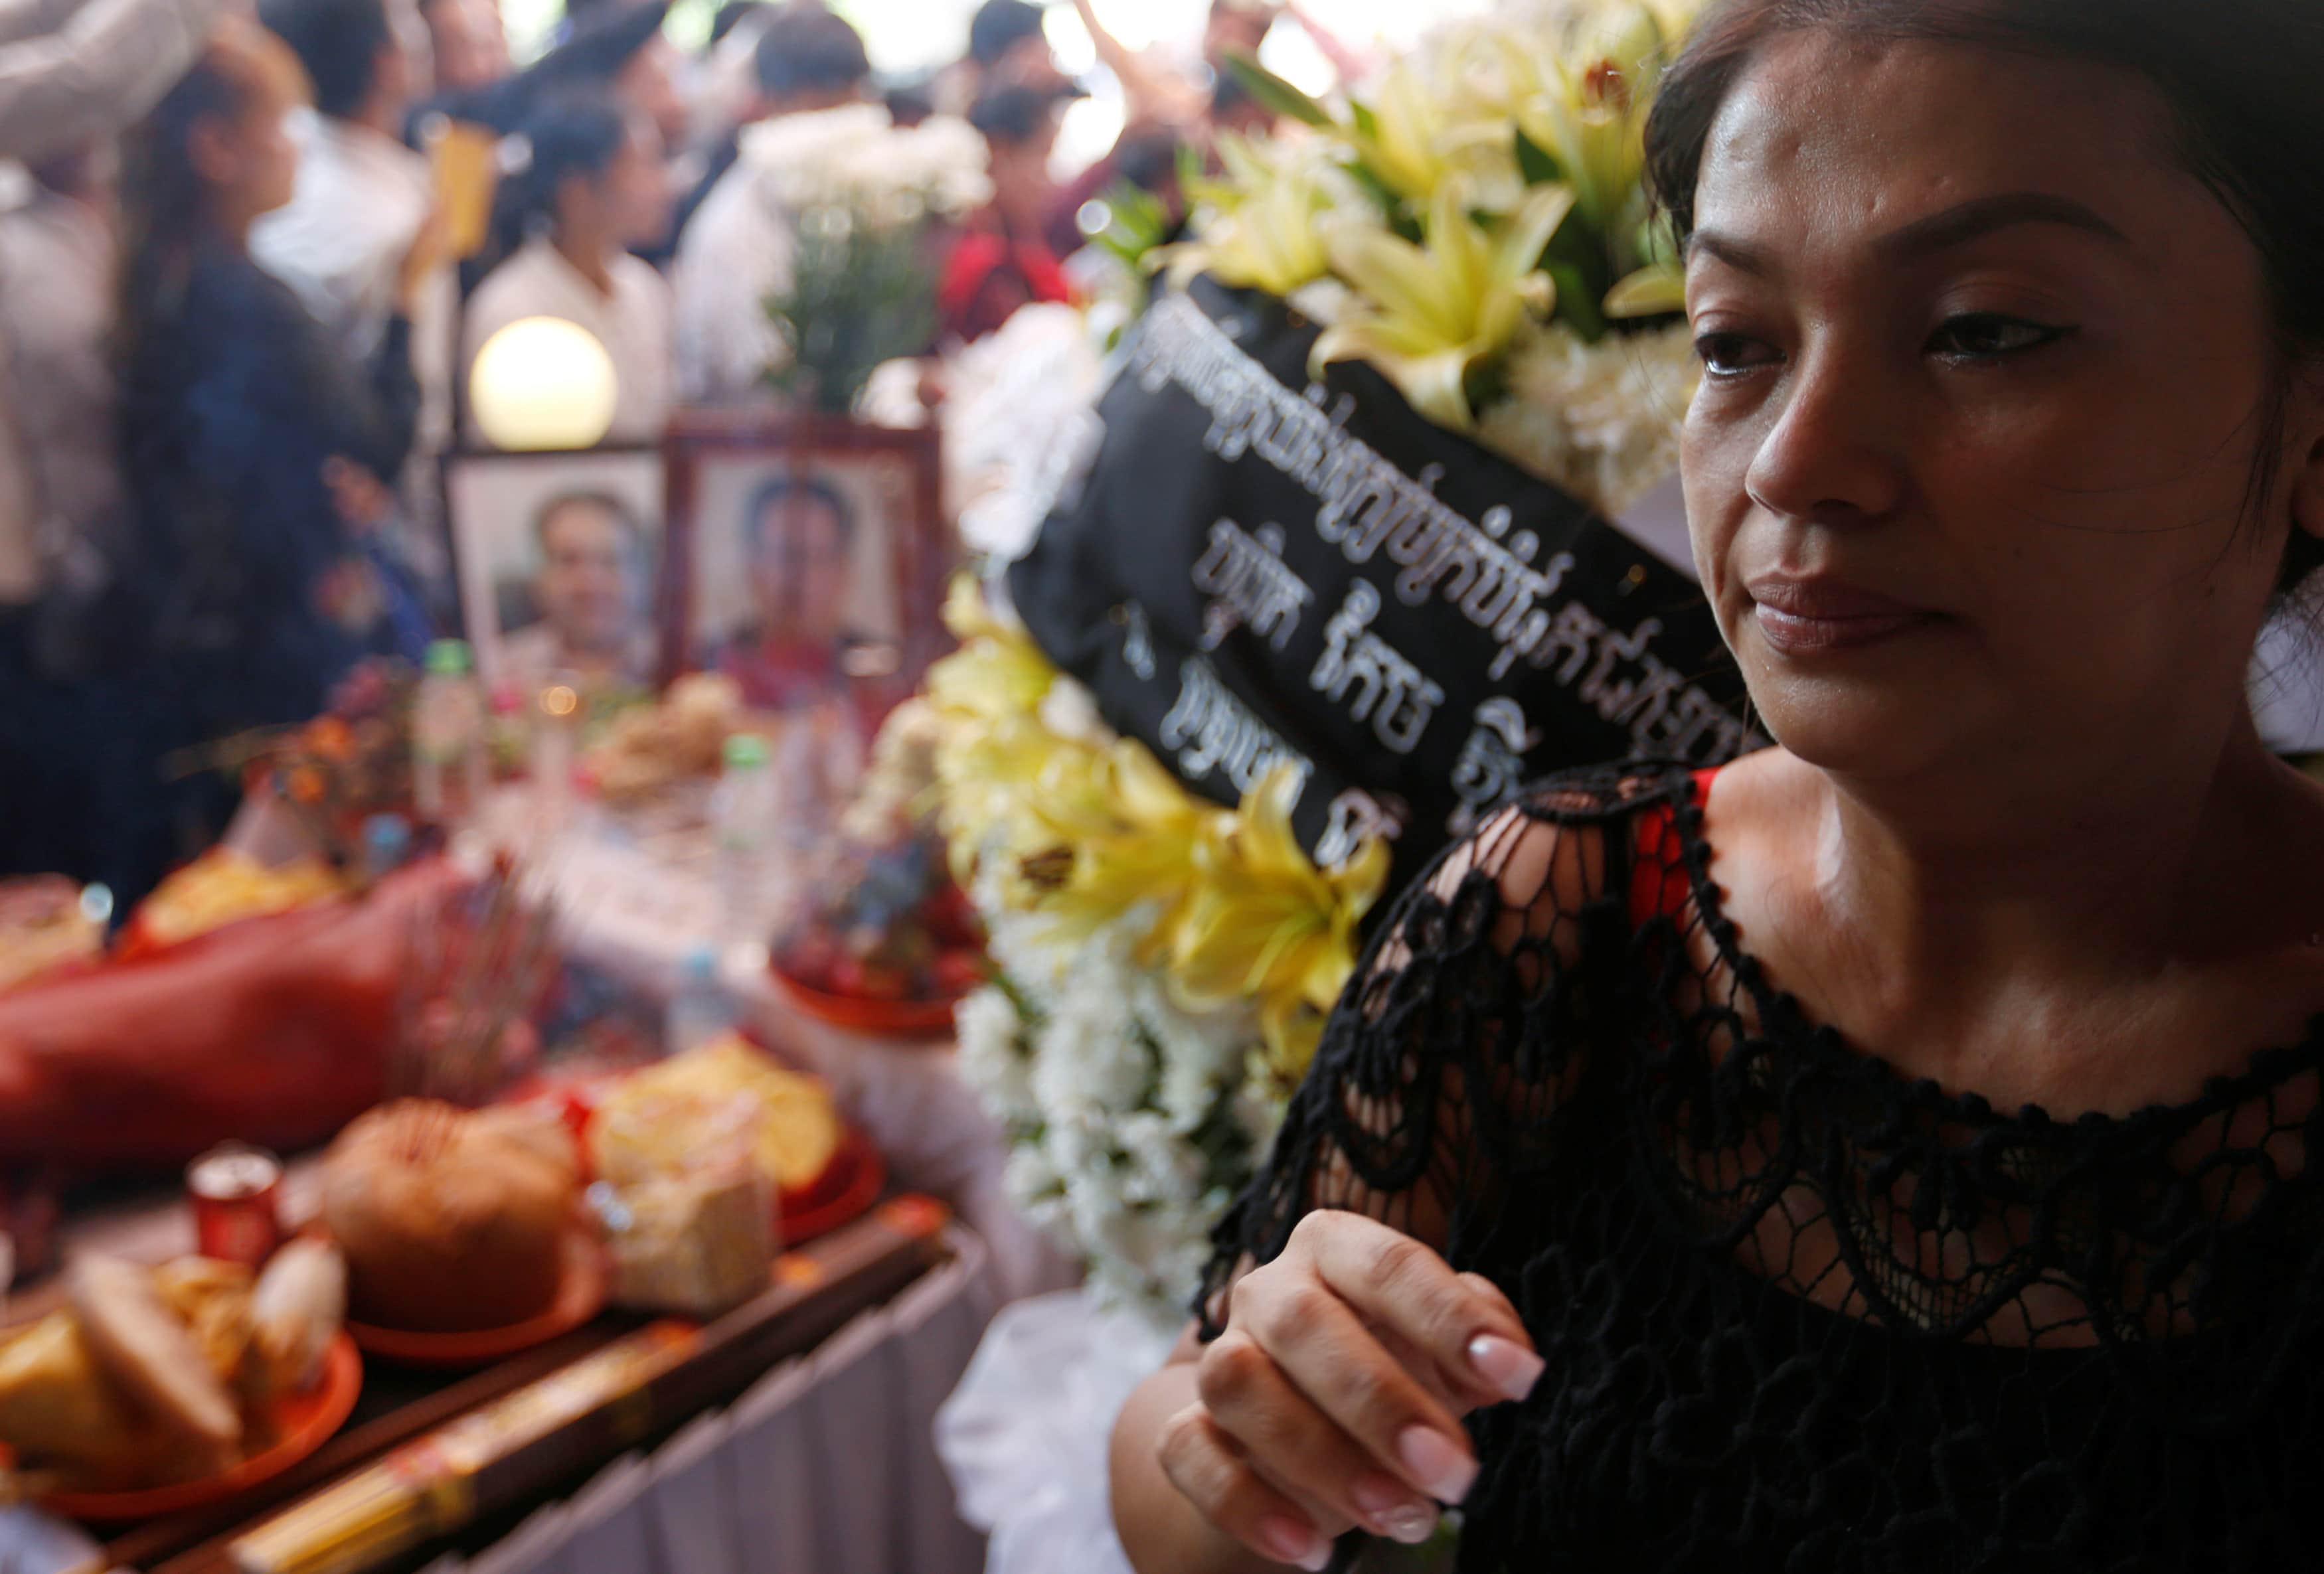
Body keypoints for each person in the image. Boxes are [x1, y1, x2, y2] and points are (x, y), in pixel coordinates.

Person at [1110, 0, 2324, 1569]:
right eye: (1736, 342)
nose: (1793, 461)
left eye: (1986, 328)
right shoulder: (1574, 913)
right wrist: (1258, 1416)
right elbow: (1171, 1476)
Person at [116, 18, 432, 896]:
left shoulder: (164, 274)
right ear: (216, 147)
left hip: (198, 633)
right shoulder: (243, 296)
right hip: (269, 640)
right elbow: (374, 436)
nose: (299, 151)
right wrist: (407, 294)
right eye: (284, 129)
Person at [669, 5, 874, 405]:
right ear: (769, 105)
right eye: (826, 108)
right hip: (749, 450)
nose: (845, 131)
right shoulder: (734, 229)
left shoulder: (848, 204)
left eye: (855, 107)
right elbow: (772, 383)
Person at [463, 90, 673, 448]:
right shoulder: (512, 310)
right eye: (643, 165)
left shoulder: (644, 288)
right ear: (577, 189)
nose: (662, 187)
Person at [712, 473, 872, 713]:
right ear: (754, 568)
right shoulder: (713, 663)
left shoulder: (876, 668)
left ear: (844, 571)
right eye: (787, 557)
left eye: (819, 557)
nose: (798, 579)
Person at [942, 84, 1072, 346]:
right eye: (1042, 155)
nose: (1048, 180)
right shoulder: (983, 264)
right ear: (1001, 155)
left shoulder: (1012, 236)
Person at [499, 490, 653, 692]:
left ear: (640, 576)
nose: (590, 585)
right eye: (569, 561)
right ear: (539, 579)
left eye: (610, 561)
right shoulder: (500, 673)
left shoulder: (683, 667)